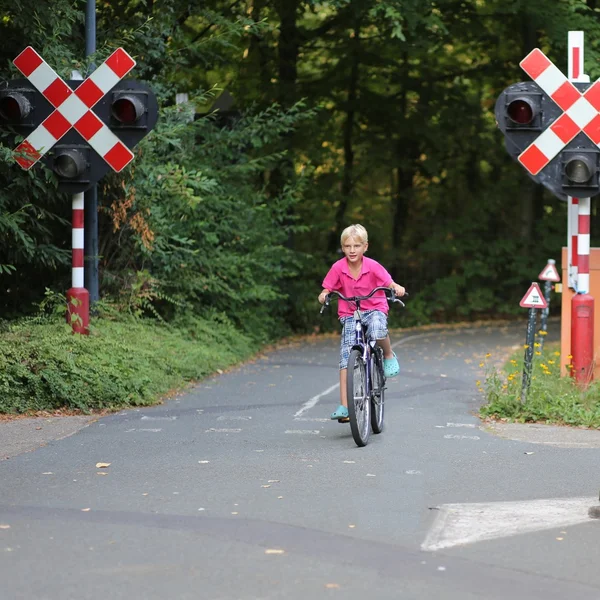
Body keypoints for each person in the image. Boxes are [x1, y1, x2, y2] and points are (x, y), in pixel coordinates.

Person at [318, 224, 406, 421]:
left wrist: (396, 288)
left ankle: (389, 355)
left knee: (376, 329)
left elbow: (390, 283)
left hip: (374, 308)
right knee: (345, 355)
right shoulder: (338, 268)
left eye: (356, 246)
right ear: (342, 247)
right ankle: (344, 406)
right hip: (350, 313)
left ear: (365, 247)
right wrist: (324, 296)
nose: (352, 250)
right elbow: (326, 290)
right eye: (347, 246)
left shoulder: (373, 266)